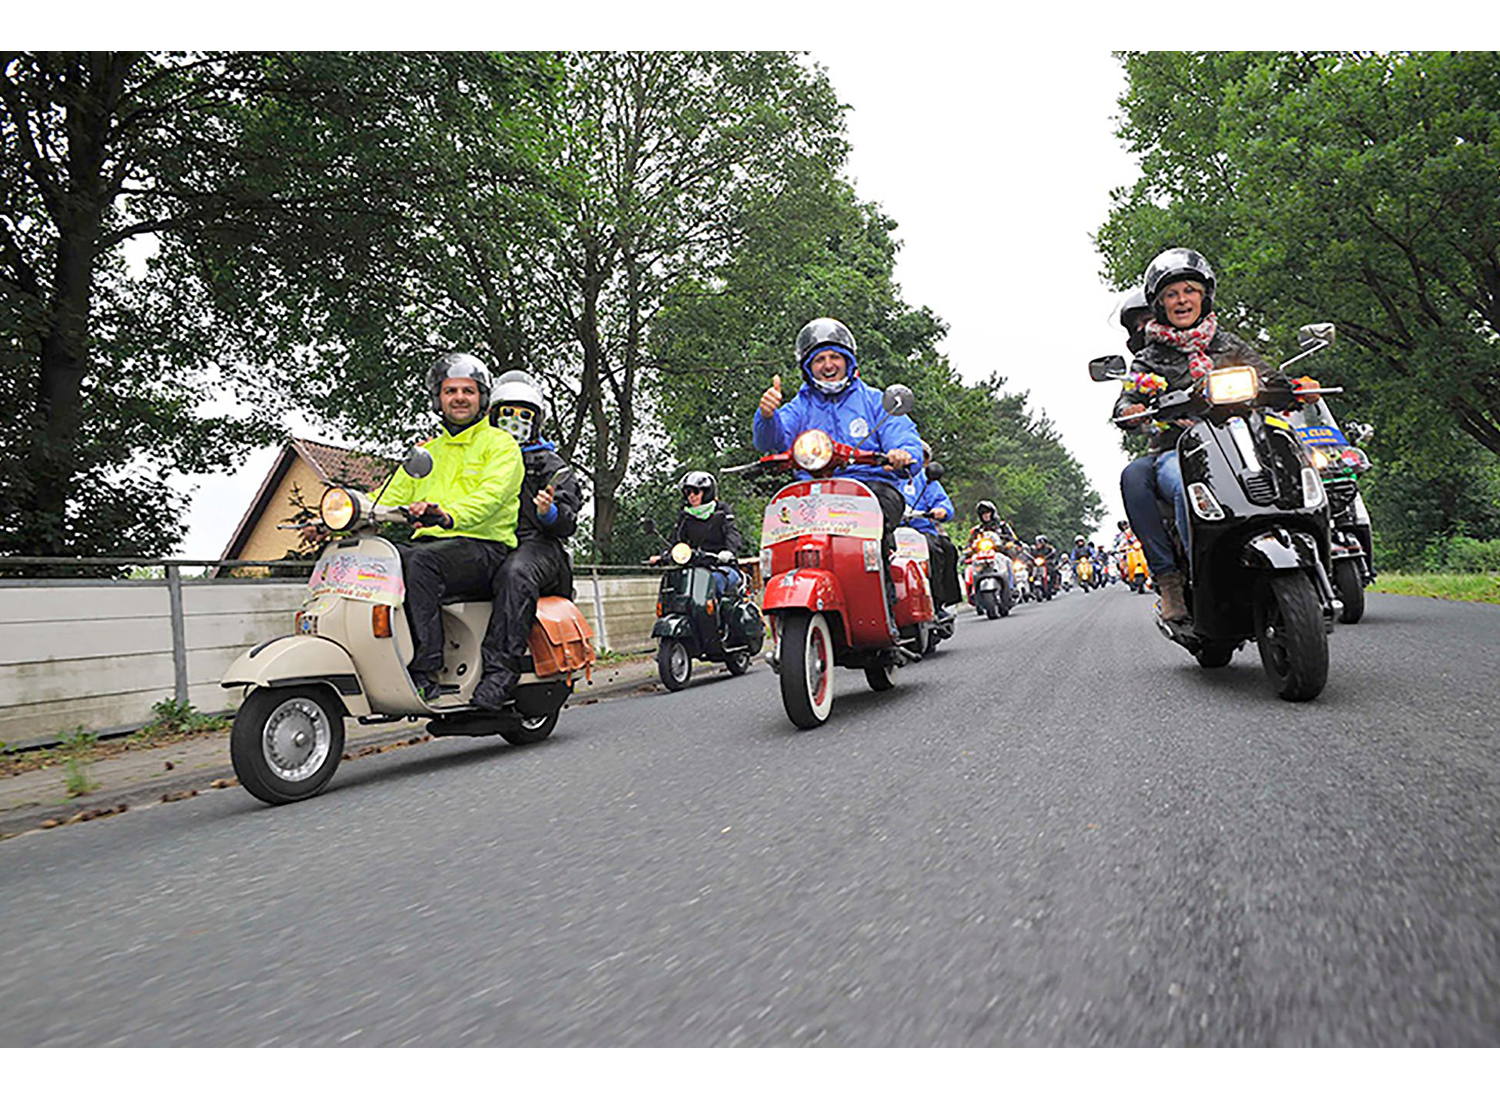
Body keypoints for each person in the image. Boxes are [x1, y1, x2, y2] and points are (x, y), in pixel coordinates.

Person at [1114, 247, 1279, 622]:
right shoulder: (1150, 357)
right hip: (1181, 446)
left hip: (1244, 439)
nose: (1181, 300)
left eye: (1189, 290)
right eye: (1171, 294)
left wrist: (1296, 385)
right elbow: (1127, 398)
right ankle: (1173, 579)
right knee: (1169, 483)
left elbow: (1267, 373)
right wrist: (1131, 410)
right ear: (1159, 304)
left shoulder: (1227, 342)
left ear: (1204, 296)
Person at [376, 353, 525, 703]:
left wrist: (446, 515)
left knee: (419, 563)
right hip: (435, 548)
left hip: (483, 547)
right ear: (438, 399)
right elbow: (386, 495)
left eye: (468, 391)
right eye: (450, 390)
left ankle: (426, 668)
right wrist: (340, 512)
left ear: (482, 398)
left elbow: (491, 496)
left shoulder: (500, 445)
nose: (459, 397)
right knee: (378, 559)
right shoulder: (425, 452)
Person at [754, 317, 924, 621]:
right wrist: (767, 416)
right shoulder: (800, 406)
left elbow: (903, 435)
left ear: (848, 360)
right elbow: (774, 440)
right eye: (819, 359)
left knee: (877, 518)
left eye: (834, 357)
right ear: (808, 367)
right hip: (813, 492)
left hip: (871, 486)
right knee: (784, 530)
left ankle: (883, 605)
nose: (828, 365)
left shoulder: (875, 401)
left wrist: (903, 454)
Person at [475, 370, 583, 709]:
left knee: (515, 573)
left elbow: (568, 520)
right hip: (492, 542)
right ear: (493, 416)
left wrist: (549, 513)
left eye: (524, 414)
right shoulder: (478, 459)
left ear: (536, 420)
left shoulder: (550, 464)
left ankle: (501, 672)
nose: (515, 421)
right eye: (507, 413)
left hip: (539, 546)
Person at [649, 471, 745, 599]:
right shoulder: (686, 516)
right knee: (672, 584)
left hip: (721, 566)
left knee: (713, 584)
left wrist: (729, 552)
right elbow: (677, 541)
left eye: (695, 492)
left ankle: (717, 618)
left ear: (707, 492)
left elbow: (732, 533)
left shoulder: (721, 511)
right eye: (688, 492)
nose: (691, 496)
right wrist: (663, 556)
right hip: (695, 567)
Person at [901, 442, 961, 616]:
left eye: (922, 457)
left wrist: (941, 510)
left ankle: (938, 602)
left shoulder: (925, 479)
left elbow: (943, 503)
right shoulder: (887, 476)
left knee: (939, 549)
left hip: (921, 531)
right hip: (889, 530)